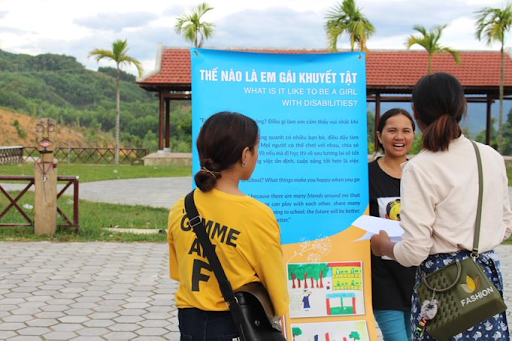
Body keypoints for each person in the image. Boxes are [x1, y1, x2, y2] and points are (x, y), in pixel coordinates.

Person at [371, 72, 512, 340]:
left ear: (417, 113)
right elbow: (505, 227)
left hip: (442, 286)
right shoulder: (490, 157)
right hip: (485, 282)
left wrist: (383, 246)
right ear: (462, 108)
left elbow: (414, 252)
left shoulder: (420, 167)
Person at [168, 111, 290, 341]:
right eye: (256, 148)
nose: (257, 155)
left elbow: (178, 271)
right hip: (235, 324)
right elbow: (276, 288)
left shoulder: (182, 206)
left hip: (189, 323)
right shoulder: (256, 214)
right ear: (245, 154)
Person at [369, 108, 416, 341]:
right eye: (392, 130)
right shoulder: (366, 176)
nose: (399, 137)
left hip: (420, 277)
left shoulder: (422, 174)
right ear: (379, 135)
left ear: (414, 136)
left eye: (406, 131)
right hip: (383, 278)